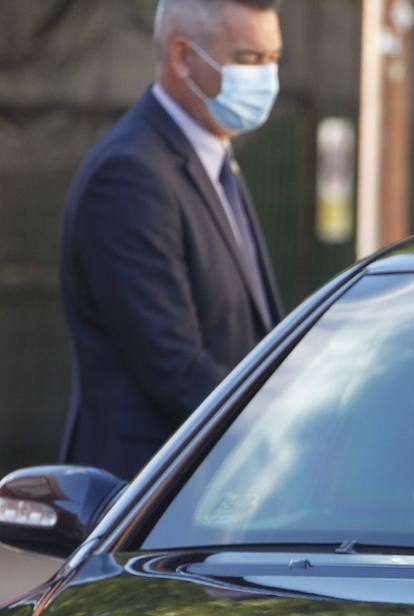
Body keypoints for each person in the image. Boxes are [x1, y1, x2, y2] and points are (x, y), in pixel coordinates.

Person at [58, 0, 284, 481]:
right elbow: (174, 367)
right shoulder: (130, 175)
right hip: (141, 504)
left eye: (274, 58)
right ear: (183, 57)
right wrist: (287, 422)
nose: (267, 77)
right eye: (249, 59)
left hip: (206, 487)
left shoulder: (213, 159)